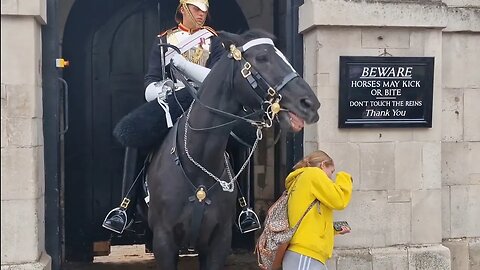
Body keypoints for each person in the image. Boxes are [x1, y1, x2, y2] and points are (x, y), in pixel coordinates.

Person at [103, 0, 260, 239]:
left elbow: (215, 78)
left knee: (241, 135)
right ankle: (125, 207)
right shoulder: (164, 40)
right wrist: (160, 89)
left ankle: (243, 207)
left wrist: (182, 64)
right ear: (183, 8)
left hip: (209, 104)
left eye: (205, 10)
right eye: (196, 9)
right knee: (133, 132)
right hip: (174, 101)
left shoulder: (213, 40)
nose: (202, 14)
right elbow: (150, 81)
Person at [282, 150, 353, 270]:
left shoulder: (302, 178)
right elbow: (339, 200)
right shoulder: (313, 174)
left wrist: (332, 230)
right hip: (306, 253)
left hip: (306, 254)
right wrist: (345, 178)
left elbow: (309, 218)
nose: (331, 178)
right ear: (323, 165)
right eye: (331, 172)